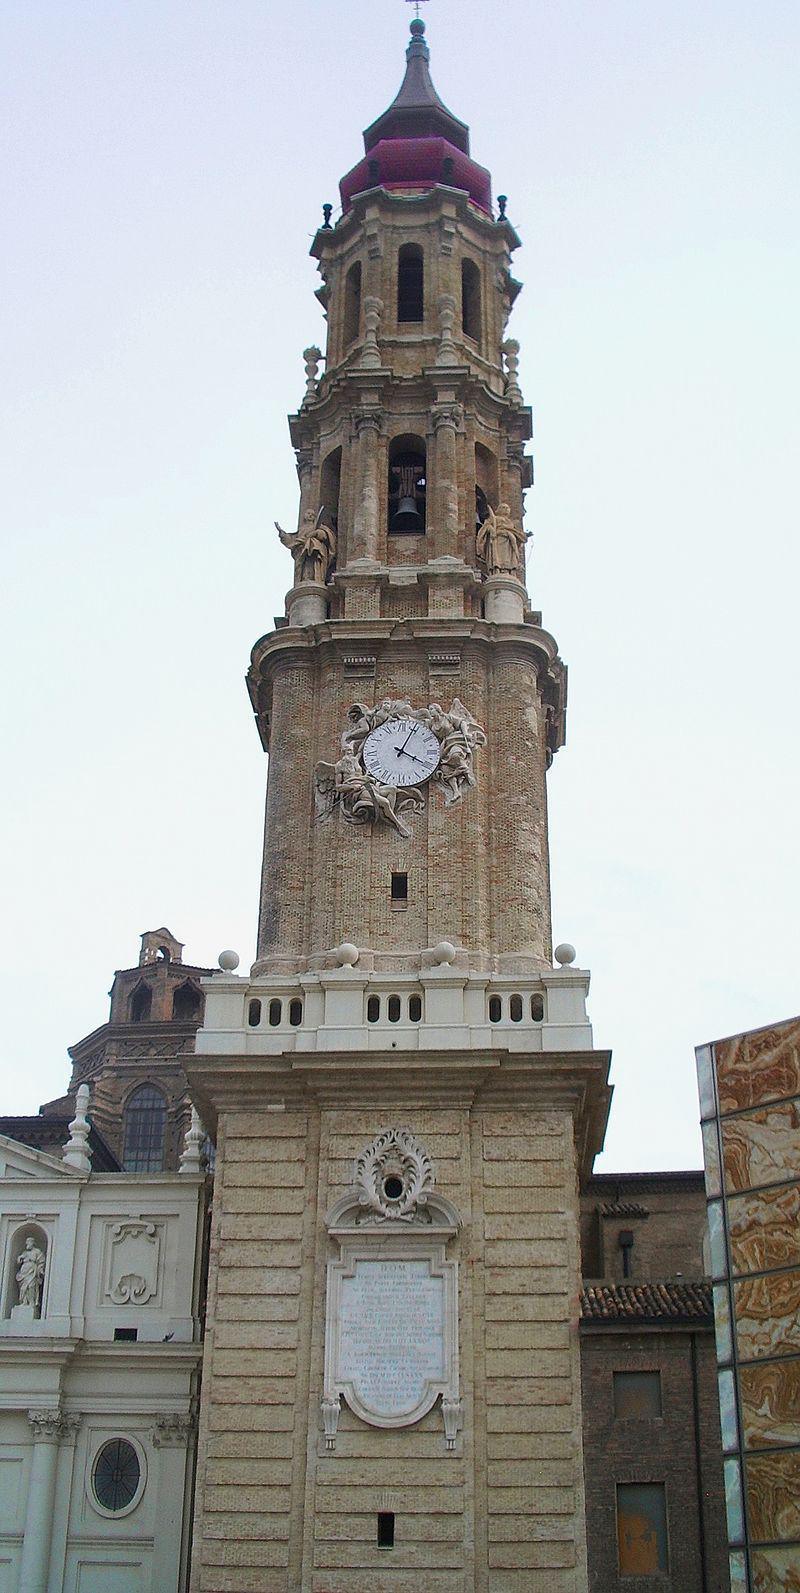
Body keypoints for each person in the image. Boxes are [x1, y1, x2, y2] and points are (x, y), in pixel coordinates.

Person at [16, 1236, 46, 1312]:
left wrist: (40, 1270)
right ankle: (24, 1302)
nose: (27, 1244)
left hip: (32, 1271)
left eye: (28, 1242)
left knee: (31, 1286)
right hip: (24, 1271)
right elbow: (19, 1262)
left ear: (32, 1243)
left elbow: (41, 1261)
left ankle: (32, 1302)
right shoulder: (24, 1253)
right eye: (26, 1242)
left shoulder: (37, 1252)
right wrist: (20, 1258)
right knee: (23, 1288)